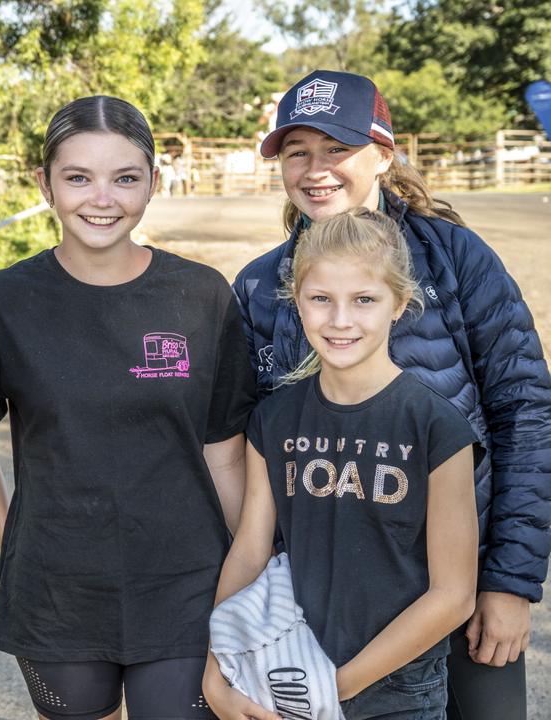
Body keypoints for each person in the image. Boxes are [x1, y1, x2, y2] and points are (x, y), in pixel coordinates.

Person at [235, 69, 551, 720]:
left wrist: (511, 582)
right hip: (327, 602)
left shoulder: (457, 259)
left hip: (459, 587)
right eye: (298, 152)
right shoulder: (260, 288)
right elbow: (250, 456)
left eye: (336, 149)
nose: (315, 169)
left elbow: (525, 411)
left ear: (383, 154)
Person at [0, 95, 256, 720]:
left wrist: (250, 572)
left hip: (186, 581)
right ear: (44, 184)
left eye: (125, 178)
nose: (103, 198)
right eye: (78, 177)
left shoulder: (202, 295)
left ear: (152, 183)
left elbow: (224, 453)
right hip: (57, 586)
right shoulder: (2, 300)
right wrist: (12, 538)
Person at [205, 209, 481, 720]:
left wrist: (335, 687)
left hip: (400, 693)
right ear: (297, 302)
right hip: (287, 675)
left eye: (364, 300)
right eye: (320, 299)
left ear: (399, 303)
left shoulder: (435, 426)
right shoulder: (275, 418)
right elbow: (248, 551)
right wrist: (216, 666)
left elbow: (454, 594)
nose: (339, 320)